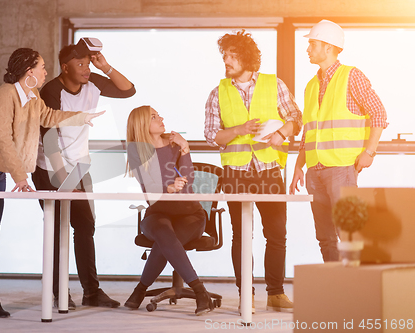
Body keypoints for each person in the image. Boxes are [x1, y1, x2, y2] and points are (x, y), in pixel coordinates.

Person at [0, 48, 104, 318]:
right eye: (41, 67)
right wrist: (20, 176)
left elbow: (49, 117)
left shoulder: (32, 97)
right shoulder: (5, 96)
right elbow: (2, 139)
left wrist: (81, 117)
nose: (45, 72)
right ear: (29, 72)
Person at [31, 38, 136, 309]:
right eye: (80, 64)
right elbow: (50, 136)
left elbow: (128, 91)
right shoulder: (52, 90)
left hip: (79, 167)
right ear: (65, 67)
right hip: (50, 168)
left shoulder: (93, 83)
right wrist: (63, 180)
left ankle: (91, 292)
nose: (86, 68)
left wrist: (106, 66)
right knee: (56, 229)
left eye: (88, 63)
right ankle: (58, 292)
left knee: (85, 226)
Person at [204, 30, 302, 313]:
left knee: (276, 233)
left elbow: (295, 116)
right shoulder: (218, 92)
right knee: (241, 234)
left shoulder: (274, 84)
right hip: (236, 173)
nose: (226, 60)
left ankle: (276, 293)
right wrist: (239, 130)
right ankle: (245, 293)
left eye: (231, 54)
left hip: (269, 170)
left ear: (246, 57)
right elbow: (212, 136)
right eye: (225, 55)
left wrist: (281, 134)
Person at [289, 20, 388, 261]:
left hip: (342, 169)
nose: (307, 49)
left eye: (312, 44)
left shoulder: (351, 76)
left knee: (349, 233)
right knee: (324, 236)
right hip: (315, 171)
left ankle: (356, 289)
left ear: (329, 47)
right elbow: (309, 132)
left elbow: (379, 113)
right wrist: (298, 167)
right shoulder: (311, 85)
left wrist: (370, 152)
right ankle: (336, 288)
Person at [124, 105, 214, 316]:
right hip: (158, 213)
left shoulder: (175, 144)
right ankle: (201, 292)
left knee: (166, 241)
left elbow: (188, 183)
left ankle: (140, 290)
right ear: (142, 125)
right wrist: (168, 188)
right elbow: (148, 190)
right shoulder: (137, 152)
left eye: (158, 114)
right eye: (154, 117)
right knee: (164, 233)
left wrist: (185, 149)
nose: (161, 118)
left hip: (190, 214)